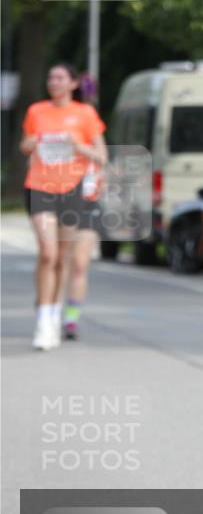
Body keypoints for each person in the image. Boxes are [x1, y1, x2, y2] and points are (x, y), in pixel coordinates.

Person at [20, 63, 108, 350]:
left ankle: (57, 312)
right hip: (40, 186)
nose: (53, 82)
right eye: (50, 77)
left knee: (64, 258)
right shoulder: (36, 111)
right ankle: (44, 321)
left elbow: (101, 156)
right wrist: (32, 142)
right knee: (48, 253)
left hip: (73, 190)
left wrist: (77, 147)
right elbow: (25, 145)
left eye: (60, 78)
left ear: (72, 84)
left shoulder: (85, 114)